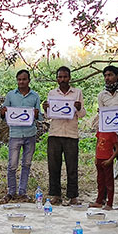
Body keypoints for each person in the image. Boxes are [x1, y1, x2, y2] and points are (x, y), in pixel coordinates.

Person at [43, 65, 86, 205]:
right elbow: (48, 116)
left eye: (65, 77)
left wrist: (79, 108)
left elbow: (82, 114)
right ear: (56, 79)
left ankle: (73, 196)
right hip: (55, 133)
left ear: (69, 78)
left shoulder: (77, 92)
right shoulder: (52, 93)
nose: (62, 79)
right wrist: (46, 109)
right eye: (60, 77)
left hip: (71, 134)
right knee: (54, 166)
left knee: (72, 167)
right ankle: (56, 195)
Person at [1, 69, 40, 203]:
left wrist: (36, 114)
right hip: (15, 134)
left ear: (29, 80)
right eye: (19, 79)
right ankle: (11, 192)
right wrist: (4, 111)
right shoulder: (11, 95)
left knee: (26, 164)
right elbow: (3, 114)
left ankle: (22, 192)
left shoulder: (35, 96)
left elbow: (39, 116)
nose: (21, 82)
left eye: (24, 79)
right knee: (12, 165)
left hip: (30, 134)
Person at [92, 65, 118, 202]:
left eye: (110, 75)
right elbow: (102, 115)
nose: (107, 78)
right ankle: (104, 197)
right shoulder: (102, 95)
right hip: (107, 135)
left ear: (117, 76)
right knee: (105, 166)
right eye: (105, 75)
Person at [90, 128, 118, 210]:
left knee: (109, 182)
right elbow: (97, 144)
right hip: (99, 159)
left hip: (107, 160)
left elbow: (117, 149)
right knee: (100, 181)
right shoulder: (100, 131)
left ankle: (110, 203)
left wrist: (110, 160)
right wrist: (96, 156)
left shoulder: (112, 133)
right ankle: (99, 201)